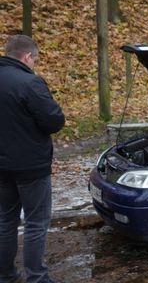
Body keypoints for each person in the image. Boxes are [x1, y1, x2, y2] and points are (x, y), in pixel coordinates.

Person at [0, 35, 65, 283]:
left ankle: (5, 274)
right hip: (31, 167)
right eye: (35, 60)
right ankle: (37, 277)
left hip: (2, 167)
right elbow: (54, 121)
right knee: (36, 223)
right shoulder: (30, 83)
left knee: (5, 220)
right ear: (28, 56)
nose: (34, 64)